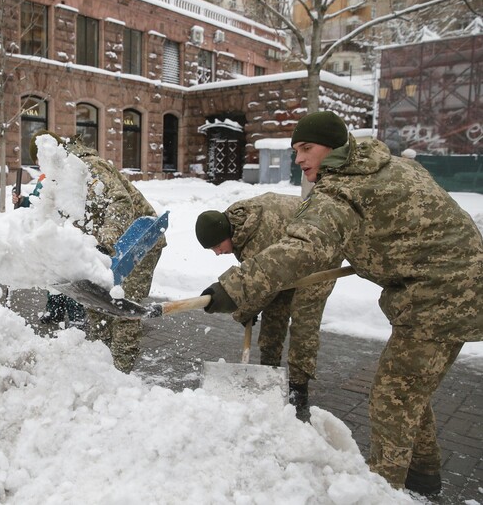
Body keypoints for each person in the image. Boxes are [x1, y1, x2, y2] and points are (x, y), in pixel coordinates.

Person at [199, 111, 482, 496]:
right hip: (456, 282)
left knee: (391, 399)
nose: (298, 158)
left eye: (306, 148)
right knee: (409, 389)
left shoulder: (342, 193)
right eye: (295, 149)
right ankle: (424, 480)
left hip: (440, 294)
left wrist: (232, 289)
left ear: (333, 147)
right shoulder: (388, 166)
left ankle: (383, 494)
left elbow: (301, 249)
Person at [195, 193, 340, 420]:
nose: (218, 253)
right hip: (286, 254)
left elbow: (263, 288)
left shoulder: (257, 237)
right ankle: (269, 369)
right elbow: (267, 283)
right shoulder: (235, 222)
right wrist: (251, 307)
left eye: (217, 246)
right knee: (276, 309)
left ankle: (298, 391)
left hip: (321, 253)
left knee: (304, 322)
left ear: (225, 234)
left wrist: (246, 310)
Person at [45, 131, 166, 373]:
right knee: (96, 303)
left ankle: (120, 375)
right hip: (110, 244)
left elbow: (120, 202)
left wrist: (104, 243)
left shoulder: (88, 166)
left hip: (140, 238)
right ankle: (102, 368)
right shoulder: (63, 176)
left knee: (123, 308)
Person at [12, 171, 87, 326]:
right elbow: (38, 202)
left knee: (71, 273)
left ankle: (76, 313)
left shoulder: (70, 173)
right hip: (50, 231)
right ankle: (55, 310)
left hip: (70, 231)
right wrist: (22, 200)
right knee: (53, 273)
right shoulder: (43, 178)